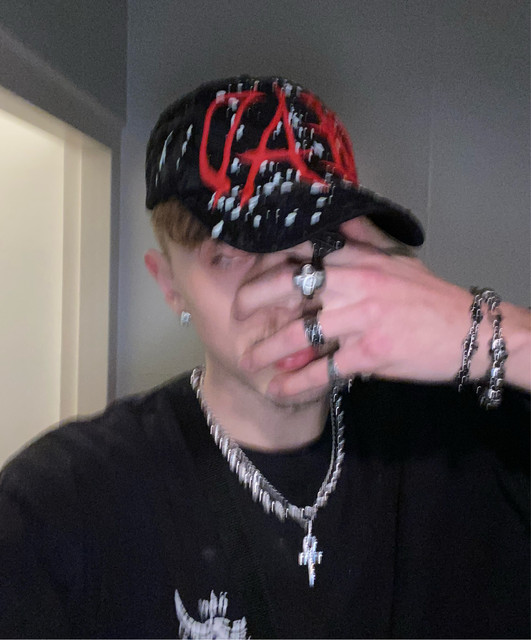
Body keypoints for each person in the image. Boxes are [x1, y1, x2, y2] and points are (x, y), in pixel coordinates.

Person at [0, 76, 529, 639]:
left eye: (316, 240)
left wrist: (495, 330)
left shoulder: (466, 442)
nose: (287, 295)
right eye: (230, 255)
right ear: (170, 286)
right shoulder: (64, 502)